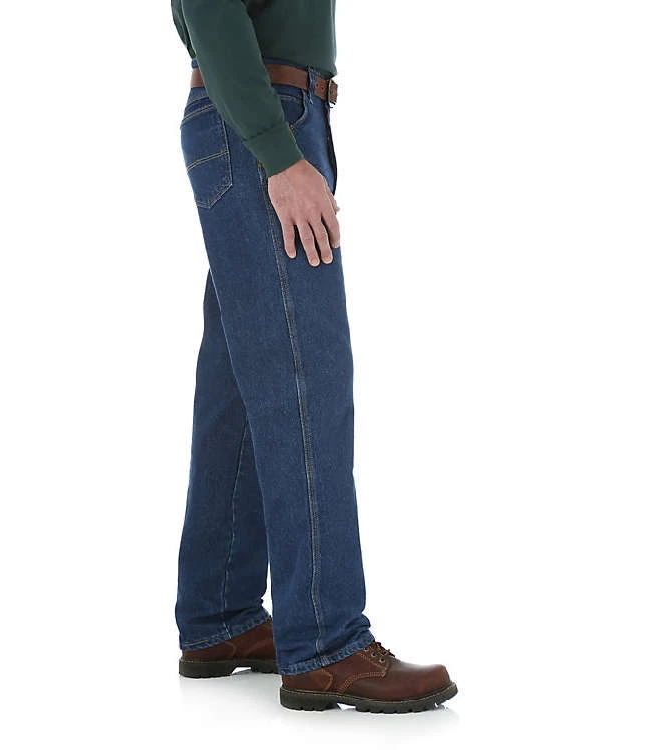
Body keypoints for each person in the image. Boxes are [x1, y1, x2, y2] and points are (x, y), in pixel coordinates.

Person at [170, 0, 457, 713]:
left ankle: (219, 613)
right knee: (306, 379)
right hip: (261, 118)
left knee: (242, 386)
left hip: (270, 113)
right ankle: (326, 643)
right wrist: (278, 151)